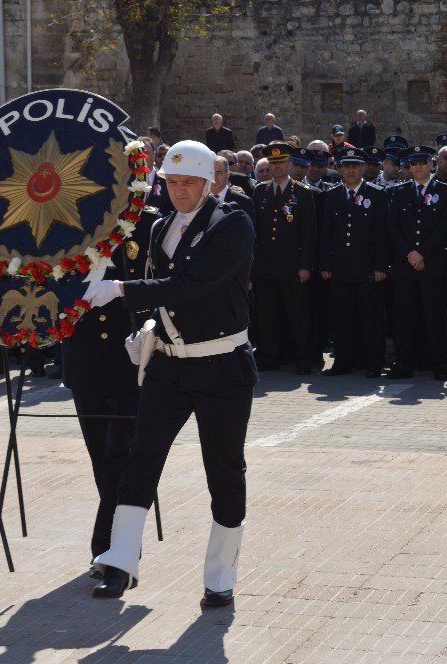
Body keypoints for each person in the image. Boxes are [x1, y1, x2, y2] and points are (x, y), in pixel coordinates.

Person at [84, 140, 256, 608]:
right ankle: (119, 561)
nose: (179, 191)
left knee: (223, 469)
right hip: (169, 364)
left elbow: (193, 285)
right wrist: (149, 328)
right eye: (172, 182)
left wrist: (122, 290)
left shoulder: (232, 223)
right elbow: (166, 295)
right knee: (141, 458)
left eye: (189, 182)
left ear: (209, 182)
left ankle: (220, 576)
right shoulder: (160, 226)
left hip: (222, 366)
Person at [62, 204, 155, 577]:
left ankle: (112, 548)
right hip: (84, 357)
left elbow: (160, 281)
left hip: (128, 356)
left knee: (120, 455)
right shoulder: (65, 222)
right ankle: (117, 543)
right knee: (101, 455)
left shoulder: (146, 222)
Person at [387, 146, 447, 381]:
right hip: (405, 267)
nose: (418, 168)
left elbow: (445, 227)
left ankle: (438, 366)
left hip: (432, 265)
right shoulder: (398, 191)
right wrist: (410, 254)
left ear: (431, 164)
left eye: (422, 163)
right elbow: (392, 227)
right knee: (404, 320)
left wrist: (422, 253)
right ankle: (403, 364)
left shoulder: (446, 192)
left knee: (434, 320)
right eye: (413, 164)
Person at [319, 147, 388, 376]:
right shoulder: (331, 195)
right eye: (346, 166)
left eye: (355, 166)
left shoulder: (377, 194)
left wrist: (380, 266)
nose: (350, 171)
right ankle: (343, 362)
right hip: (340, 268)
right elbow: (326, 233)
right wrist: (325, 264)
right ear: (339, 169)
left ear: (362, 168)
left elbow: (381, 234)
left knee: (370, 318)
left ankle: (373, 363)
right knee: (343, 318)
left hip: (367, 268)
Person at [251, 142, 316, 374]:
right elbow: (256, 231)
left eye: (281, 162)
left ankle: (304, 359)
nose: (277, 167)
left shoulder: (302, 192)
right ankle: (270, 357)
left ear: (289, 164)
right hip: (266, 267)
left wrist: (305, 265)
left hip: (292, 266)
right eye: (273, 163)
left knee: (297, 315)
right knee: (268, 316)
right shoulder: (260, 191)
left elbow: (309, 234)